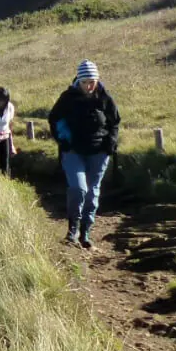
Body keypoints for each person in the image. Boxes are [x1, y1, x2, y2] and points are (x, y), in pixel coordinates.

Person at [47, 59, 120, 249]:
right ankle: (72, 230)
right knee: (79, 189)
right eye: (84, 82)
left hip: (99, 152)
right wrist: (63, 140)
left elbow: (114, 122)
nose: (88, 86)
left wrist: (110, 144)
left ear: (97, 80)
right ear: (78, 81)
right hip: (72, 151)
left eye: (92, 81)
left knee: (92, 193)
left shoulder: (105, 97)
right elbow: (53, 119)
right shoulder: (68, 97)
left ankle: (86, 232)